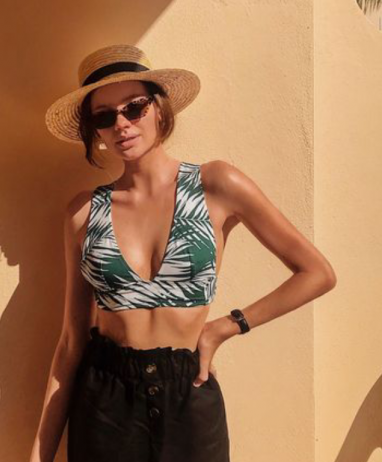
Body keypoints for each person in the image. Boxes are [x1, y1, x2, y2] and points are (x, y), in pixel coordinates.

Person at [31, 44, 337, 462]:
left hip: (188, 395)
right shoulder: (84, 212)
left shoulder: (216, 184)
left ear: (159, 108)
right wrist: (39, 454)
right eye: (104, 116)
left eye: (134, 108)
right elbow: (72, 341)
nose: (121, 124)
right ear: (95, 131)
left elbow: (317, 273)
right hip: (106, 404)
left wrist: (226, 327)